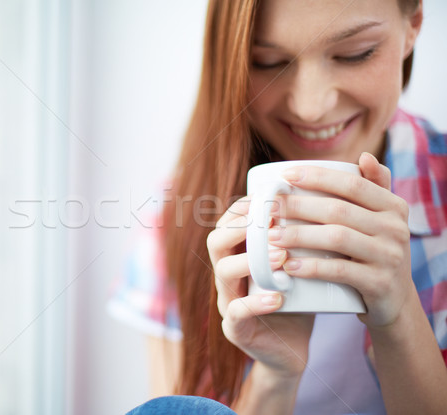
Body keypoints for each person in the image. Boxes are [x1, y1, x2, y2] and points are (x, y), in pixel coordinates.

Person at [108, 0, 447, 413]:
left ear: (413, 25)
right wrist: (275, 372)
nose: (311, 107)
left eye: (354, 53)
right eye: (267, 62)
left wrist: (399, 321)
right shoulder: (180, 218)